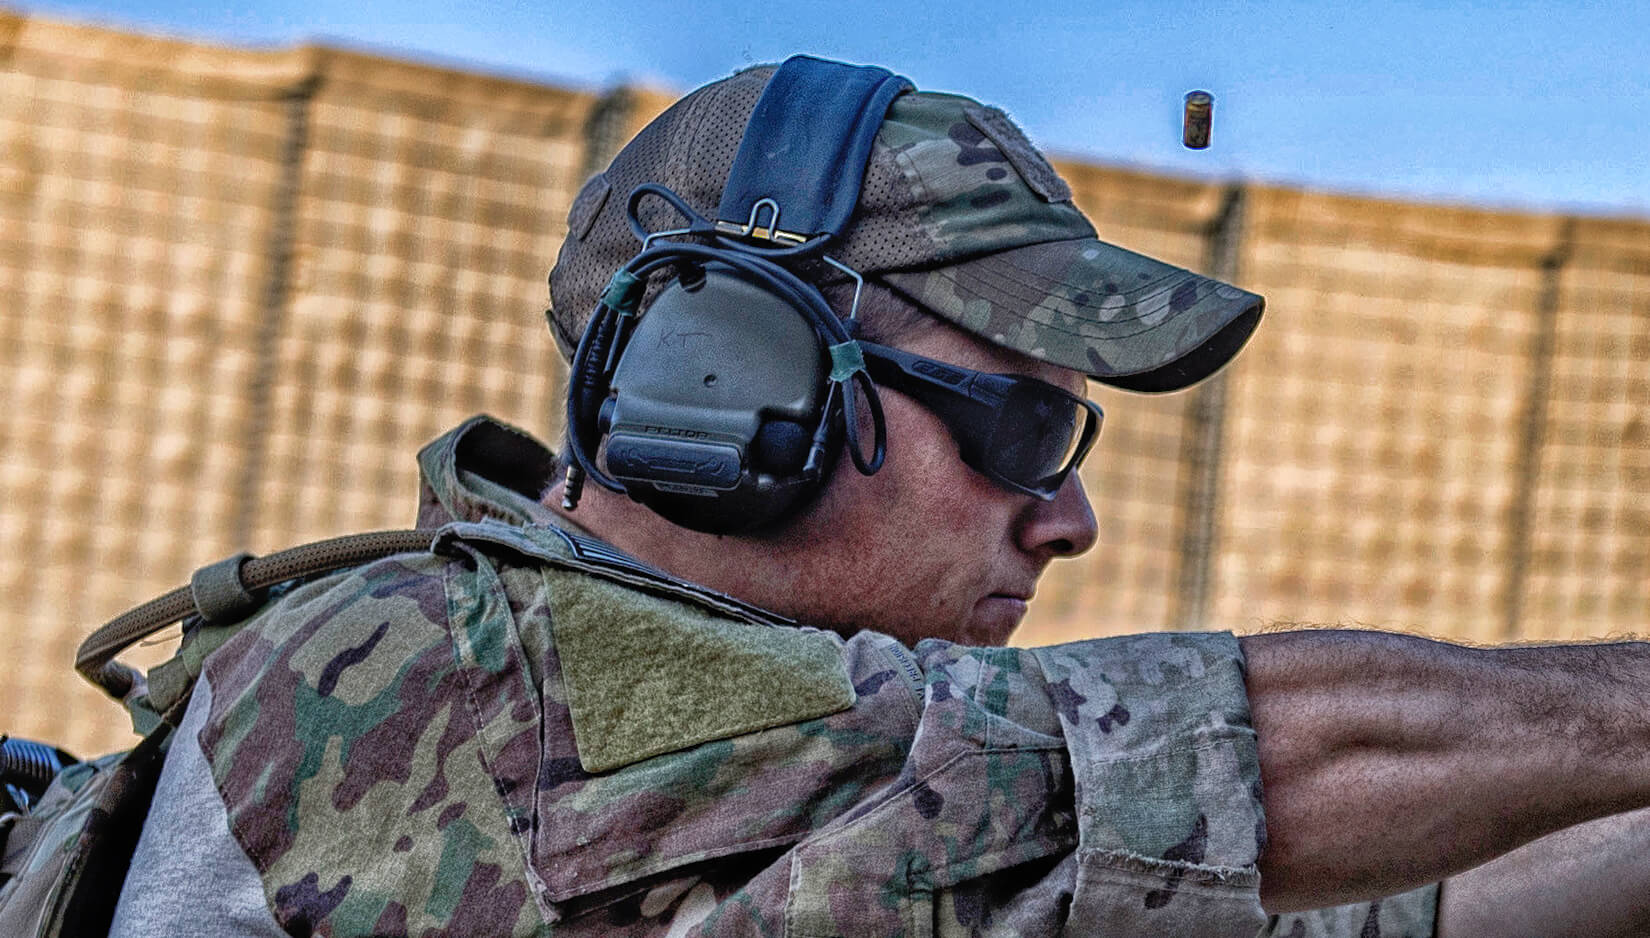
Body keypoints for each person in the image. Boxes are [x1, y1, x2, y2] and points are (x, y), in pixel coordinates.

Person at [106, 58, 1650, 938]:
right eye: (1023, 423)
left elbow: (1371, 911)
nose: (1066, 518)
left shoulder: (772, 813)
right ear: (729, 378)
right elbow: (1212, 761)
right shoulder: (451, 675)